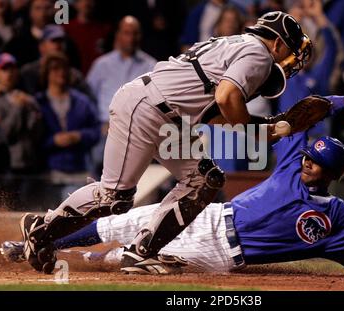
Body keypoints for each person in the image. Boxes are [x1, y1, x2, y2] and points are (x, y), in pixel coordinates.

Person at [19, 12, 318, 274]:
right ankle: (40, 229)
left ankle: (140, 252)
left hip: (163, 112)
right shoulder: (259, 54)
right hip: (147, 108)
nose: (290, 61)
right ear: (277, 43)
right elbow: (227, 98)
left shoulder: (237, 45)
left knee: (204, 179)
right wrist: (262, 129)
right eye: (290, 51)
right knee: (114, 197)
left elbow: (217, 114)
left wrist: (272, 129)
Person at [4, 98, 344, 278]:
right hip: (214, 216)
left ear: (332, 173)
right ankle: (33, 246)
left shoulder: (338, 217)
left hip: (223, 254)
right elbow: (304, 113)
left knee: (121, 260)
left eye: (318, 163)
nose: (309, 162)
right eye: (310, 156)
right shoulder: (293, 163)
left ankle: (86, 259)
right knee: (123, 222)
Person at [86, 16, 157, 176]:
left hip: (139, 129)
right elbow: (89, 98)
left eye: (135, 33)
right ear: (118, 35)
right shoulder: (102, 65)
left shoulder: (151, 65)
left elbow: (156, 102)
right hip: (106, 129)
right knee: (97, 169)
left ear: (140, 36)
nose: (131, 38)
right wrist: (99, 122)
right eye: (126, 33)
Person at [35, 52, 99, 185]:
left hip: (80, 169)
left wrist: (79, 136)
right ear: (46, 73)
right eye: (55, 68)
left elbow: (96, 131)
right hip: (49, 172)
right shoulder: (38, 103)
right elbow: (32, 139)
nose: (61, 72)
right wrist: (53, 141)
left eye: (64, 68)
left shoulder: (82, 101)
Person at [0, 53, 42, 173]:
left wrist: (30, 108)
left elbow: (37, 132)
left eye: (12, 68)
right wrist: (17, 108)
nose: (9, 73)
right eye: (4, 69)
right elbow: (3, 134)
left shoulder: (27, 99)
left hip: (29, 162)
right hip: (3, 165)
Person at [19, 24, 93, 99]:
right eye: (54, 41)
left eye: (61, 41)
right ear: (42, 46)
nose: (58, 45)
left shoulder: (74, 75)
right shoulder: (28, 73)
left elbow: (89, 102)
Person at [63, 0, 111, 75]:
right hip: (74, 77)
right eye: (82, 0)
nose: (86, 3)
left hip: (99, 77)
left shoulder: (104, 29)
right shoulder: (66, 29)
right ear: (76, 4)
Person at [5, 0, 54, 66]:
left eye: (47, 8)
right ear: (30, 12)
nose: (43, 13)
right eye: (38, 8)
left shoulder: (64, 41)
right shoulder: (16, 44)